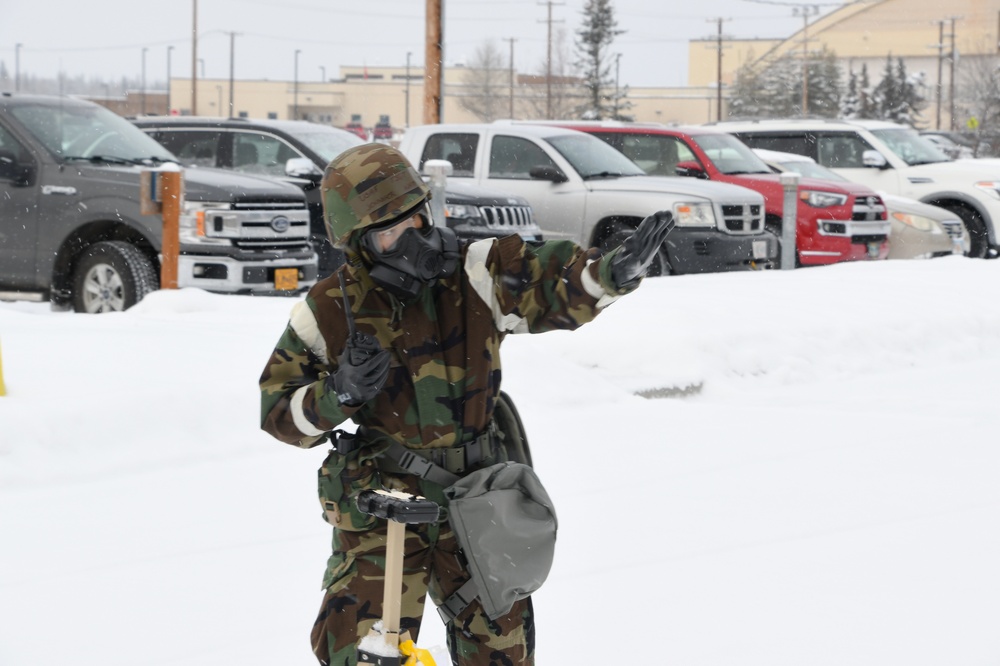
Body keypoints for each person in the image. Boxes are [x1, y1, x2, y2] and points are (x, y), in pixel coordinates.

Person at [258, 143, 673, 666]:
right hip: (383, 506)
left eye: (415, 219)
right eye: (390, 231)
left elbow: (550, 282)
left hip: (476, 497)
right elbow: (278, 413)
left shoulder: (477, 272)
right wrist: (338, 393)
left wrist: (612, 271)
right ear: (360, 243)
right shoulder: (327, 310)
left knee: (502, 650)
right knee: (364, 651)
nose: (411, 238)